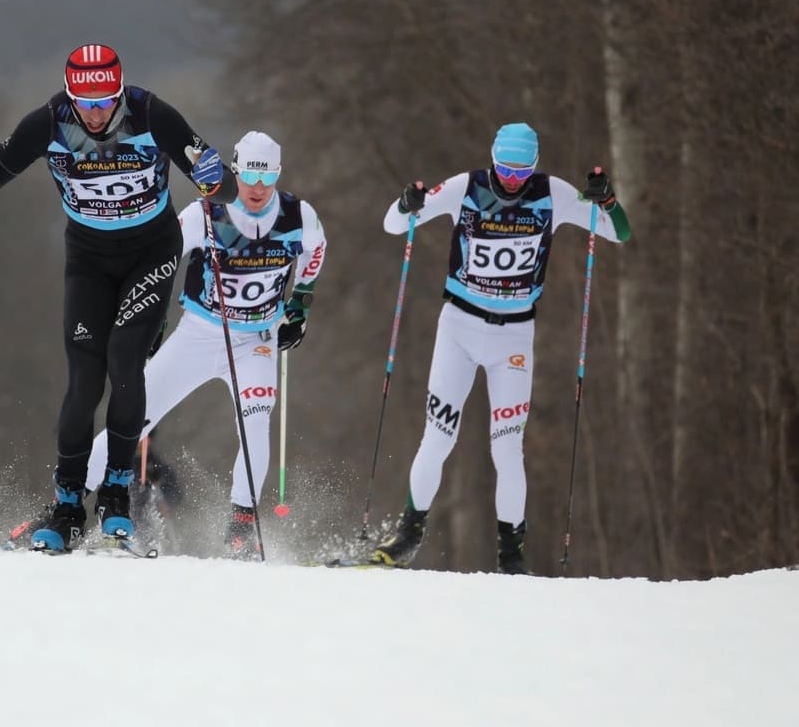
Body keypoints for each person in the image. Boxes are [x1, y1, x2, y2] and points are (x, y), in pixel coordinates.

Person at [0, 44, 236, 552]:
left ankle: (117, 497)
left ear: (121, 91)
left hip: (151, 252)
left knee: (125, 362)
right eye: (88, 103)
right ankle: (66, 508)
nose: (98, 112)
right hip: (89, 258)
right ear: (70, 96)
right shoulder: (48, 123)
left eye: (107, 101)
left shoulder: (153, 114)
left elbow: (224, 189)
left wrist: (216, 176)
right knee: (84, 381)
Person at [371, 123, 631, 574]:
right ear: (492, 158)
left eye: (522, 170)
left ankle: (511, 556)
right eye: (505, 168)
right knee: (438, 437)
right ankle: (406, 537)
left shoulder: (553, 193)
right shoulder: (465, 187)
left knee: (507, 450)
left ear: (534, 165)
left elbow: (619, 232)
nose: (512, 179)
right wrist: (406, 203)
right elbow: (394, 225)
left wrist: (607, 199)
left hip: (513, 337)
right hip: (458, 328)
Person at [84, 131, 327, 559]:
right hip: (199, 334)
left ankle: (241, 524)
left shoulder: (298, 216)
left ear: (277, 176)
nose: (256, 188)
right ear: (236, 171)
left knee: (255, 421)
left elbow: (316, 252)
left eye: (267, 177)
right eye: (250, 175)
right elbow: (161, 256)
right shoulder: (206, 213)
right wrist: (151, 316)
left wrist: (300, 304)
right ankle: (67, 501)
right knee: (133, 417)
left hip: (257, 340)